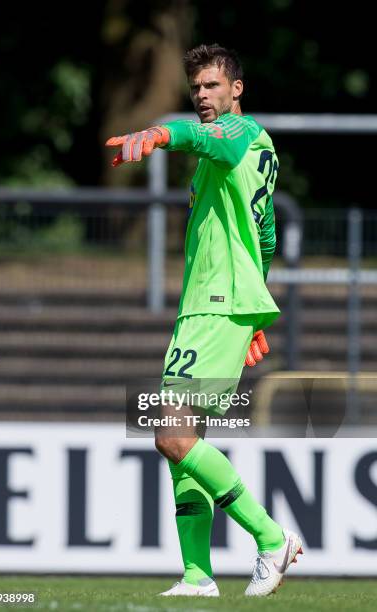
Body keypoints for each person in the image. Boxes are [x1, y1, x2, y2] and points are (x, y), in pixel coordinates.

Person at [106, 43, 303, 598]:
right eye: (196, 88)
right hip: (217, 302)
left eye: (212, 85)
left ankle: (270, 538)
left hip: (216, 302)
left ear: (236, 89)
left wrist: (161, 133)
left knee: (169, 433)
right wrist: (256, 312)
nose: (202, 96)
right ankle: (197, 574)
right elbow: (262, 235)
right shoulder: (242, 153)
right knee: (178, 436)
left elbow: (197, 136)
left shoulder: (239, 135)